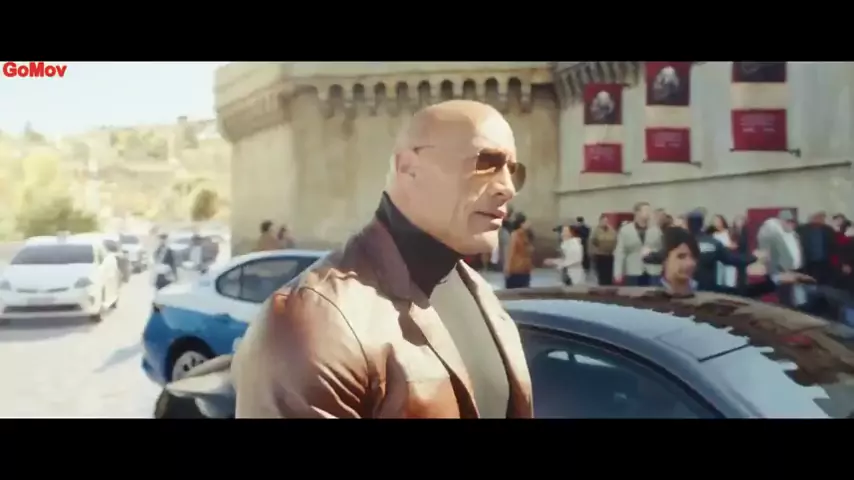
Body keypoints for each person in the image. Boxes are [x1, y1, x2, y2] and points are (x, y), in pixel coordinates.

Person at [232, 99, 533, 419]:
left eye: (514, 171)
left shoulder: (478, 292)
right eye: (486, 163)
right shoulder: (313, 319)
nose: (507, 188)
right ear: (408, 167)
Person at [655, 226, 813, 298]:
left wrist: (778, 279)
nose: (690, 264)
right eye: (681, 256)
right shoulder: (650, 296)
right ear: (665, 259)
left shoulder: (705, 289)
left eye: (693, 257)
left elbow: (741, 294)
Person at [758, 211, 810, 310]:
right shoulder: (773, 236)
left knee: (797, 298)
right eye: (788, 221)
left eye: (792, 222)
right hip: (782, 271)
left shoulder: (795, 235)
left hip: (796, 269)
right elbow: (768, 255)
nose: (790, 224)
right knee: (785, 299)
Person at [614, 201, 662, 286]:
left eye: (649, 210)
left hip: (653, 271)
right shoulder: (625, 230)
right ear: (637, 212)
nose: (648, 213)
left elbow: (661, 250)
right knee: (634, 293)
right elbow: (620, 252)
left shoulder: (656, 230)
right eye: (646, 210)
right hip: (633, 271)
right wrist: (618, 272)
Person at [796, 211, 836, 286]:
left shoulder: (828, 230)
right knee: (808, 283)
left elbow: (834, 245)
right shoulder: (801, 229)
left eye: (821, 218)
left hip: (824, 262)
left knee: (823, 283)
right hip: (807, 262)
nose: (820, 220)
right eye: (817, 217)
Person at [707, 214, 737, 288]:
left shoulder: (729, 232)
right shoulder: (713, 235)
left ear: (722, 222)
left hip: (729, 259)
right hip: (718, 261)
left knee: (730, 282)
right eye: (714, 222)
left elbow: (735, 245)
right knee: (719, 282)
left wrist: (726, 247)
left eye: (718, 221)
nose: (716, 223)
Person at [505, 213, 534, 289]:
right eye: (526, 221)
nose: (529, 223)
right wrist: (508, 268)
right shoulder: (516, 235)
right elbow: (511, 252)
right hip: (517, 269)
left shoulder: (525, 234)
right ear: (521, 224)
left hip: (523, 268)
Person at [588, 213, 617, 285]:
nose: (605, 222)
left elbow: (616, 240)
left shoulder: (612, 230)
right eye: (603, 221)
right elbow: (592, 243)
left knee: (609, 274)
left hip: (610, 255)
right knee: (601, 275)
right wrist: (593, 254)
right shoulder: (596, 231)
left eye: (606, 221)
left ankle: (609, 287)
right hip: (600, 256)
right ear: (600, 221)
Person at [730, 214, 750, 288]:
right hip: (735, 254)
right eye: (738, 221)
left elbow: (745, 243)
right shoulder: (733, 231)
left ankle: (742, 285)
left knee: (742, 272)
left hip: (743, 254)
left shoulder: (745, 231)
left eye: (741, 221)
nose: (740, 222)